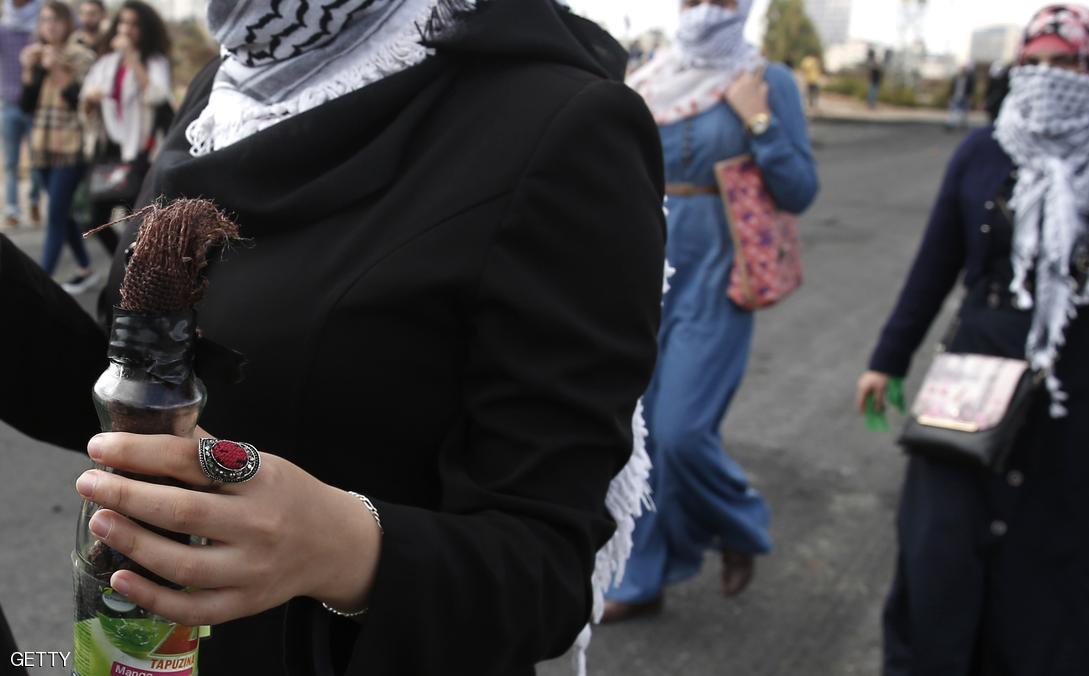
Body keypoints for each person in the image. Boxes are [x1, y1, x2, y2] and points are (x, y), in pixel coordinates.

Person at [0, 0, 665, 673]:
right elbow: (141, 400)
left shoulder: (558, 121)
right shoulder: (224, 87)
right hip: (156, 642)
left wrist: (343, 547)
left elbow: (545, 576)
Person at [855, 5, 1089, 675]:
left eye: (1064, 63)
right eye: (1033, 61)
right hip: (976, 364)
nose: (1046, 77)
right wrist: (888, 360)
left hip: (1084, 377)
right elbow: (935, 264)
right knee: (940, 539)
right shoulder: (983, 148)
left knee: (1059, 551)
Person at [606, 0, 818, 621]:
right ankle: (639, 579)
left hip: (719, 281)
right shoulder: (648, 80)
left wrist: (759, 123)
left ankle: (738, 521)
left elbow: (801, 189)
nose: (705, 8)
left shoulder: (766, 81)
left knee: (681, 433)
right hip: (640, 276)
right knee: (633, 436)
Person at [80, 0, 168, 254]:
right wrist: (90, 100)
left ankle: (134, 267)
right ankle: (123, 261)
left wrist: (131, 56)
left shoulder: (153, 61)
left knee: (136, 220)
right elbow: (85, 102)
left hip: (140, 152)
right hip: (109, 151)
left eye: (134, 24)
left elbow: (156, 95)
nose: (127, 29)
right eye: (123, 23)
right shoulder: (106, 63)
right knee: (96, 217)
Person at [20, 0, 95, 289]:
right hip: (41, 145)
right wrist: (29, 71)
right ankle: (86, 268)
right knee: (61, 214)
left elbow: (81, 101)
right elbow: (27, 105)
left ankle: (39, 283)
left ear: (67, 23)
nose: (50, 25)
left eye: (56, 19)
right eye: (45, 20)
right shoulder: (37, 57)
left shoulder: (81, 56)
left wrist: (59, 70)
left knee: (54, 215)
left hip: (71, 146)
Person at [0, 0, 42, 227]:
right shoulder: (3, 27)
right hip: (8, 104)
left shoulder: (42, 25)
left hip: (35, 104)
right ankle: (12, 210)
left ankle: (34, 199)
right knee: (11, 162)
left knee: (37, 161)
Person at [945, 64, 975, 131]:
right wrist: (950, 96)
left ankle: (963, 125)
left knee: (964, 113)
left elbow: (971, 89)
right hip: (955, 97)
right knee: (953, 112)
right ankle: (951, 125)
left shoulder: (969, 79)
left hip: (965, 97)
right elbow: (952, 88)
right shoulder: (955, 78)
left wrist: (970, 97)